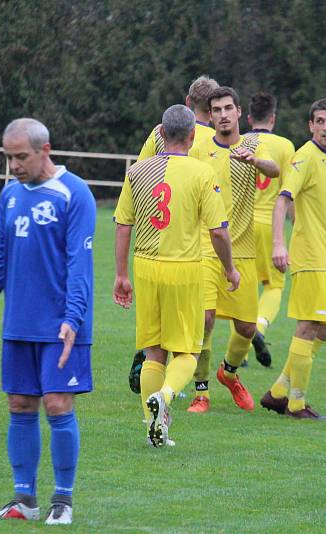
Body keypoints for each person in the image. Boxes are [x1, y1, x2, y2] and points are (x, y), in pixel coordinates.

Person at [0, 118, 96, 525]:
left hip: (63, 327)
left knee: (58, 404)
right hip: (20, 323)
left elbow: (79, 266)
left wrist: (73, 318)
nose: (13, 165)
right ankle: (23, 499)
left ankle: (62, 501)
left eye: (21, 157)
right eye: (8, 157)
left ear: (45, 150)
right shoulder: (10, 195)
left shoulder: (74, 194)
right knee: (19, 404)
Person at [113, 104, 239, 447]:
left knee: (153, 351)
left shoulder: (138, 171)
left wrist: (121, 274)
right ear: (194, 134)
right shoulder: (201, 173)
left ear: (161, 134)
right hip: (183, 268)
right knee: (187, 352)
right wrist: (230, 268)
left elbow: (123, 223)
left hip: (145, 265)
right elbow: (218, 232)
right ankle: (166, 396)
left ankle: (155, 428)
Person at [261, 97, 326, 419]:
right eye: (319, 121)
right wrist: (279, 244)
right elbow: (282, 201)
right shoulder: (303, 157)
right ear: (310, 126)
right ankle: (296, 404)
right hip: (307, 256)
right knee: (307, 326)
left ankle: (278, 391)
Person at [187, 86, 279, 413]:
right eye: (217, 110)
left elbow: (275, 171)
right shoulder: (199, 151)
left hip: (243, 250)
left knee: (247, 328)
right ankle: (201, 393)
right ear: (210, 116)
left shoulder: (253, 145)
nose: (223, 114)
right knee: (206, 319)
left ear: (239, 112)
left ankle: (228, 372)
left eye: (228, 108)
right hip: (206, 248)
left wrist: (256, 161)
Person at [128, 75, 220, 393]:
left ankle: (165, 391)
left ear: (187, 99)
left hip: (152, 245)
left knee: (165, 339)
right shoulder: (214, 140)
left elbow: (137, 181)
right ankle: (193, 388)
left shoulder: (158, 133)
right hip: (196, 245)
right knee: (197, 328)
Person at [246, 91, 295, 367]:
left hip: (241, 225)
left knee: (242, 286)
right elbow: (290, 192)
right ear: (273, 118)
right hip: (270, 224)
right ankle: (259, 327)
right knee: (274, 285)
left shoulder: (241, 142)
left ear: (249, 117)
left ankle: (239, 351)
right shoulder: (286, 147)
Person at [136, 75, 219, 161]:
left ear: (188, 101)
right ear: (214, 107)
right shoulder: (217, 140)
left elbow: (139, 167)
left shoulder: (161, 131)